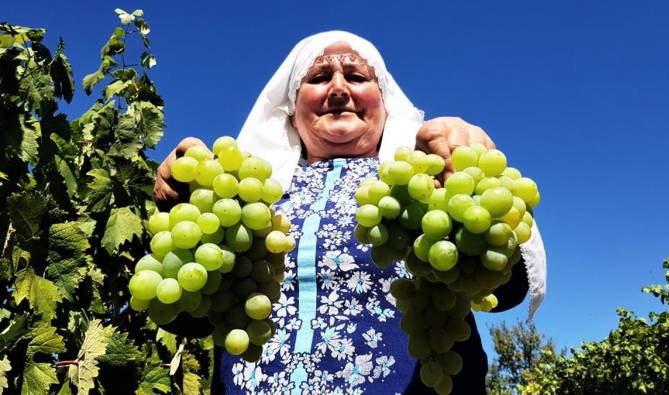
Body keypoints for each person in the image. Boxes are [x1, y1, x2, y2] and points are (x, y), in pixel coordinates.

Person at [155, 31, 546, 394]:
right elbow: (183, 314)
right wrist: (187, 205)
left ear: (385, 102)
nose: (339, 89)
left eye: (357, 77)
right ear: (291, 107)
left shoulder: (419, 180)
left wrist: (467, 169)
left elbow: (502, 286)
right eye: (320, 77)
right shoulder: (249, 192)